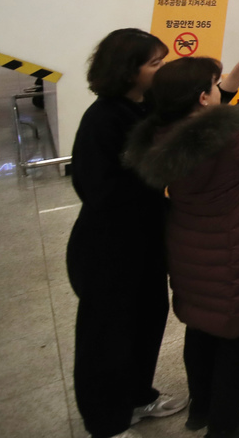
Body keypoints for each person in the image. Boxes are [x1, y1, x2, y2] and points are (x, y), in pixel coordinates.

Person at [125, 47, 239, 438]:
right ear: (203, 99)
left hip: (193, 253)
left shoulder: (167, 132)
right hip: (236, 252)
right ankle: (225, 423)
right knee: (237, 333)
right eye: (214, 88)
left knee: (202, 327)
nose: (221, 92)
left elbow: (222, 122)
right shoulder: (231, 146)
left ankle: (202, 406)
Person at [67, 29, 188, 438]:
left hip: (147, 243)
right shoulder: (103, 119)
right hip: (109, 249)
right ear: (128, 70)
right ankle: (106, 422)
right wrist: (160, 168)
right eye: (155, 63)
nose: (163, 69)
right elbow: (96, 189)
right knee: (106, 338)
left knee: (147, 322)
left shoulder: (148, 105)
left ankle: (138, 397)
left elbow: (194, 116)